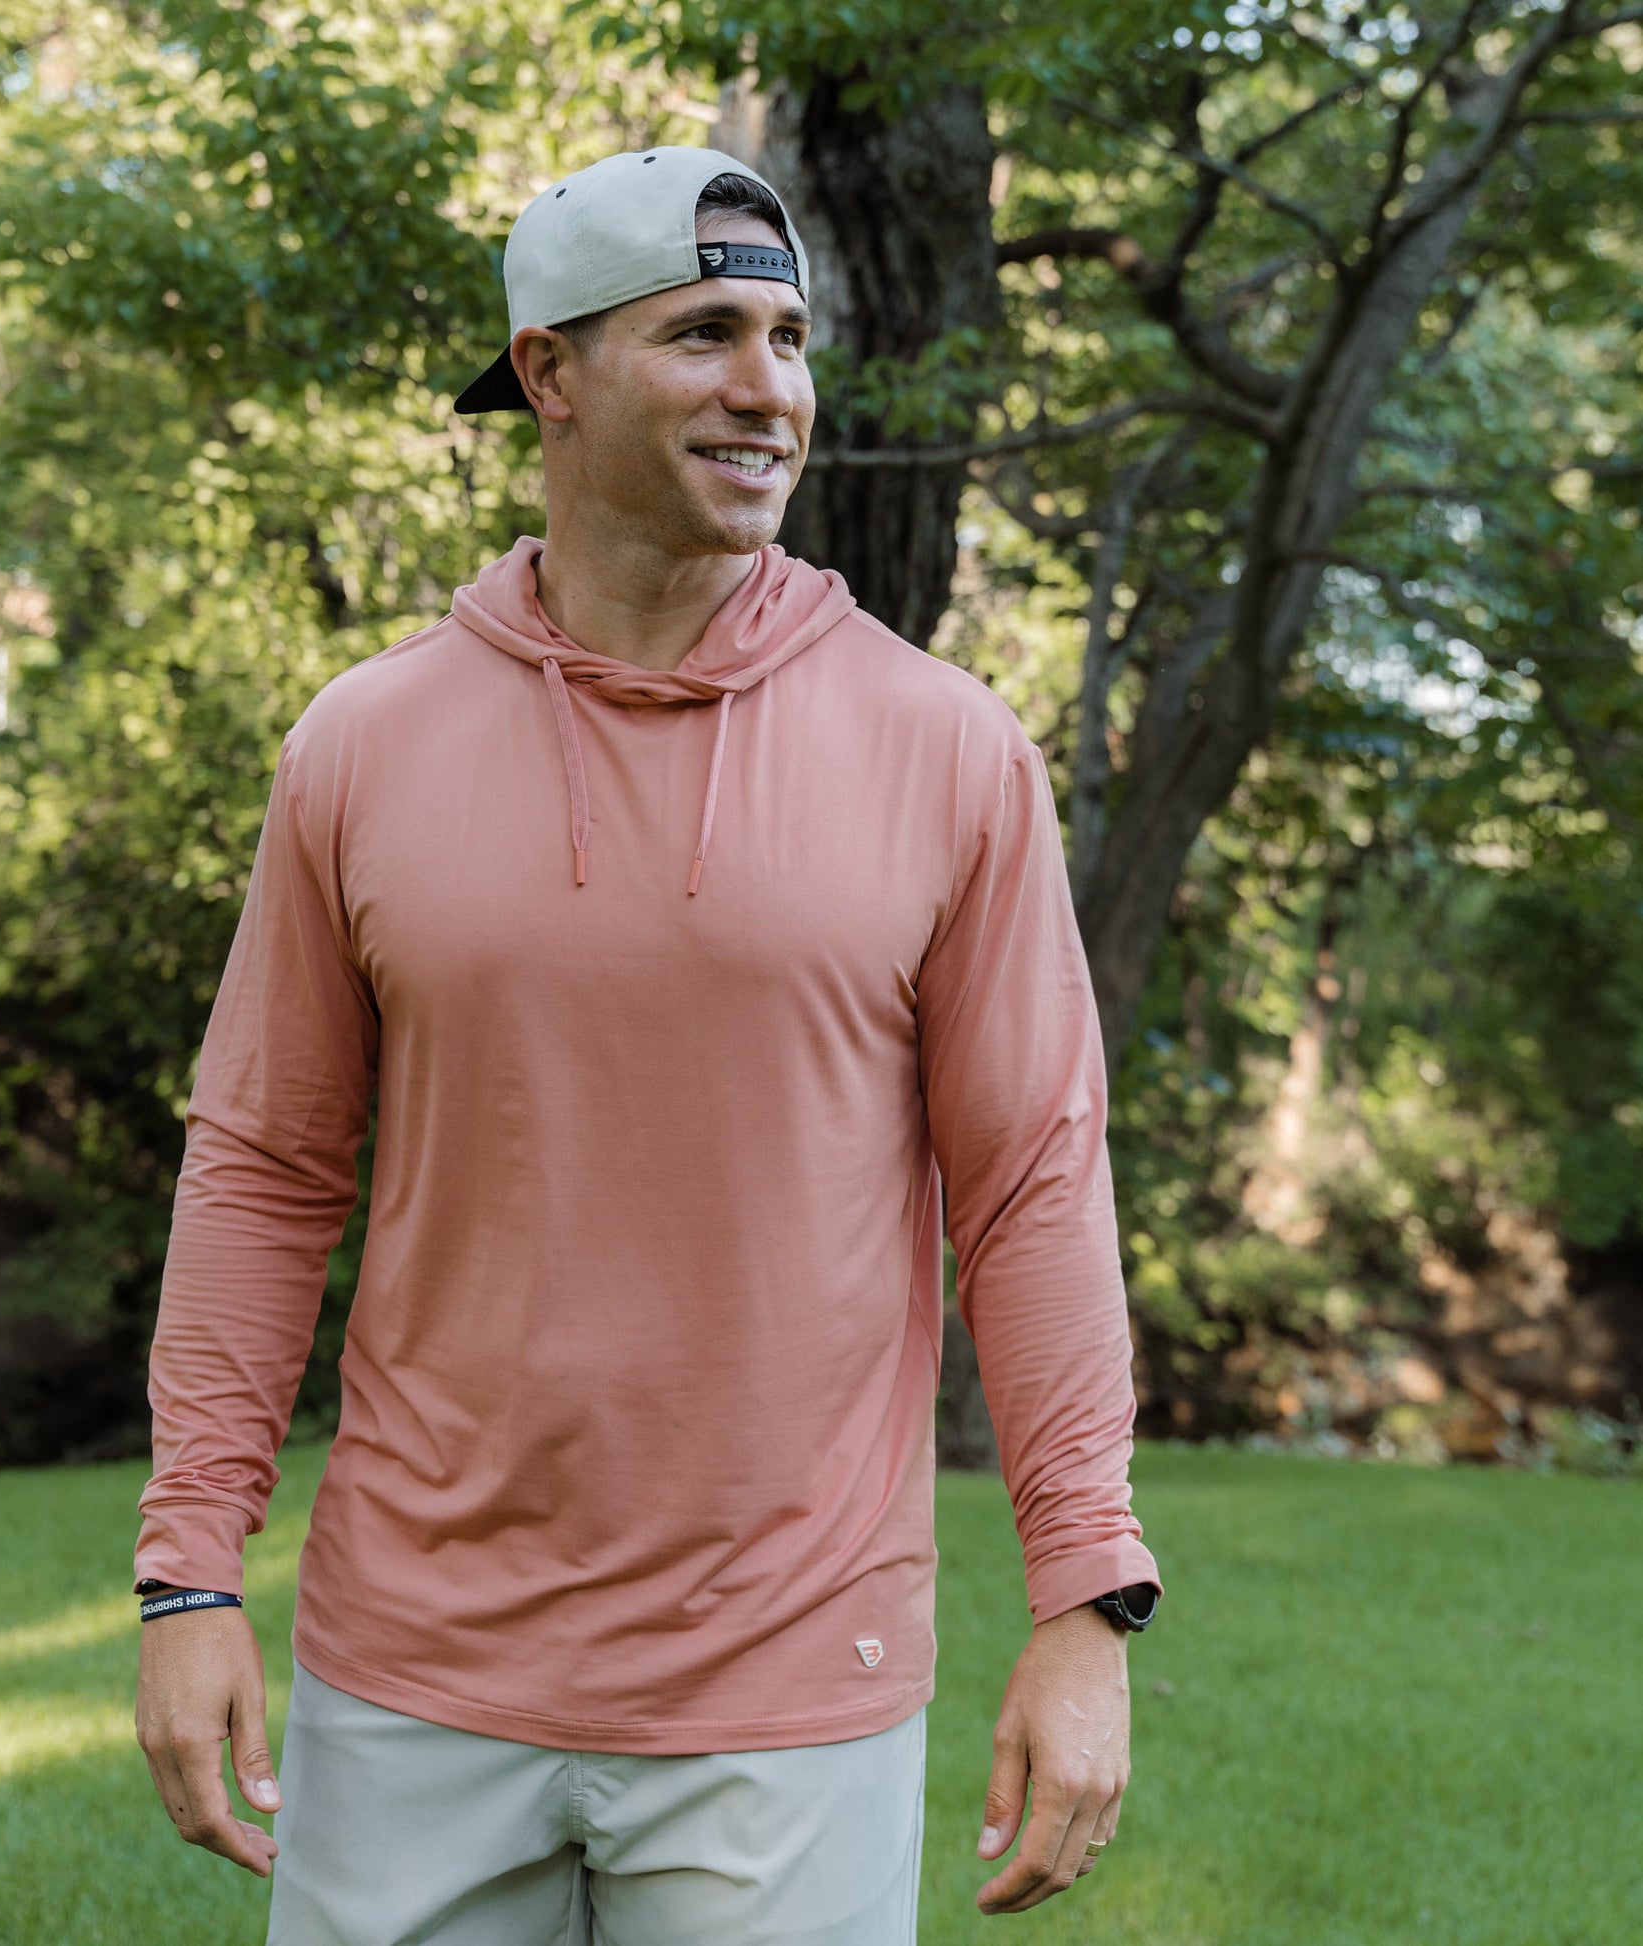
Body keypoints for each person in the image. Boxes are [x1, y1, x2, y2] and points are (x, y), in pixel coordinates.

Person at [131, 144, 1163, 1944]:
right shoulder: (362, 746)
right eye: (701, 334)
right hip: (412, 1669)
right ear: (548, 370)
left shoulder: (946, 749)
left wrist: (1085, 1593)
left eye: (786, 335)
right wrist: (187, 1571)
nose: (769, 388)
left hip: (793, 1677)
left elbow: (1030, 1184)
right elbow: (262, 1167)